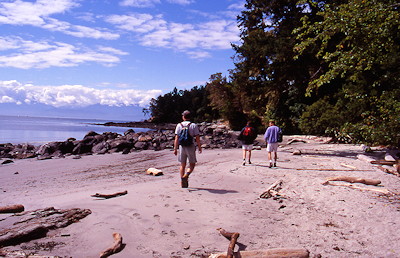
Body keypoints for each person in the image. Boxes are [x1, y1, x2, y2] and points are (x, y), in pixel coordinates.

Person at [174, 110, 202, 188]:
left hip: (182, 147)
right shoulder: (193, 125)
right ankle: (186, 175)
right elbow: (197, 138)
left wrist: (175, 149)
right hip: (190, 146)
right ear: (190, 117)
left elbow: (176, 137)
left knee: (182, 165)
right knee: (192, 164)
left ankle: (182, 182)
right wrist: (199, 147)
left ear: (183, 117)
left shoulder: (179, 125)